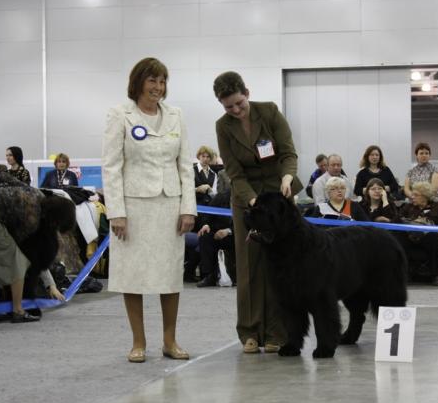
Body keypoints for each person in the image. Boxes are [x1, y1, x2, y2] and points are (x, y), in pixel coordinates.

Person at [102, 57, 196, 363]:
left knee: (169, 274)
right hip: (133, 208)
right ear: (138, 82)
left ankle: (170, 340)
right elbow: (112, 166)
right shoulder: (120, 115)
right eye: (152, 80)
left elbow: (185, 165)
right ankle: (138, 342)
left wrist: (188, 208)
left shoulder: (176, 115)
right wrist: (116, 211)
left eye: (162, 81)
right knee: (134, 275)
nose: (158, 87)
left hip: (170, 205)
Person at [214, 71, 303, 354]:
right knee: (249, 266)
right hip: (247, 200)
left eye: (239, 103)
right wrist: (252, 201)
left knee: (282, 266)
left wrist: (288, 178)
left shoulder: (269, 112)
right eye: (228, 106)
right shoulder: (223, 126)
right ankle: (250, 332)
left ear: (247, 93)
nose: (235, 110)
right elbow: (233, 171)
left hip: (279, 198)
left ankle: (278, 332)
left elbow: (288, 153)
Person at [0, 168, 75, 322]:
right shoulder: (32, 217)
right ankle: (18, 310)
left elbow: (16, 182)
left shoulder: (38, 195)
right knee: (18, 261)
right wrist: (50, 284)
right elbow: (28, 254)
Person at [397, 181, 438, 286]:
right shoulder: (408, 207)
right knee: (399, 237)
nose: (412, 197)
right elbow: (397, 221)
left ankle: (436, 275)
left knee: (433, 236)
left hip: (431, 238)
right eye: (412, 194)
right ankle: (403, 273)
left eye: (415, 195)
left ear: (425, 196)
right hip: (411, 237)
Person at [195, 190, 234, 288]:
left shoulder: (246, 200)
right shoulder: (221, 197)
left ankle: (234, 275)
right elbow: (207, 214)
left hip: (236, 235)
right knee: (205, 237)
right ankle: (209, 276)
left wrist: (228, 231)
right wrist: (206, 224)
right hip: (217, 232)